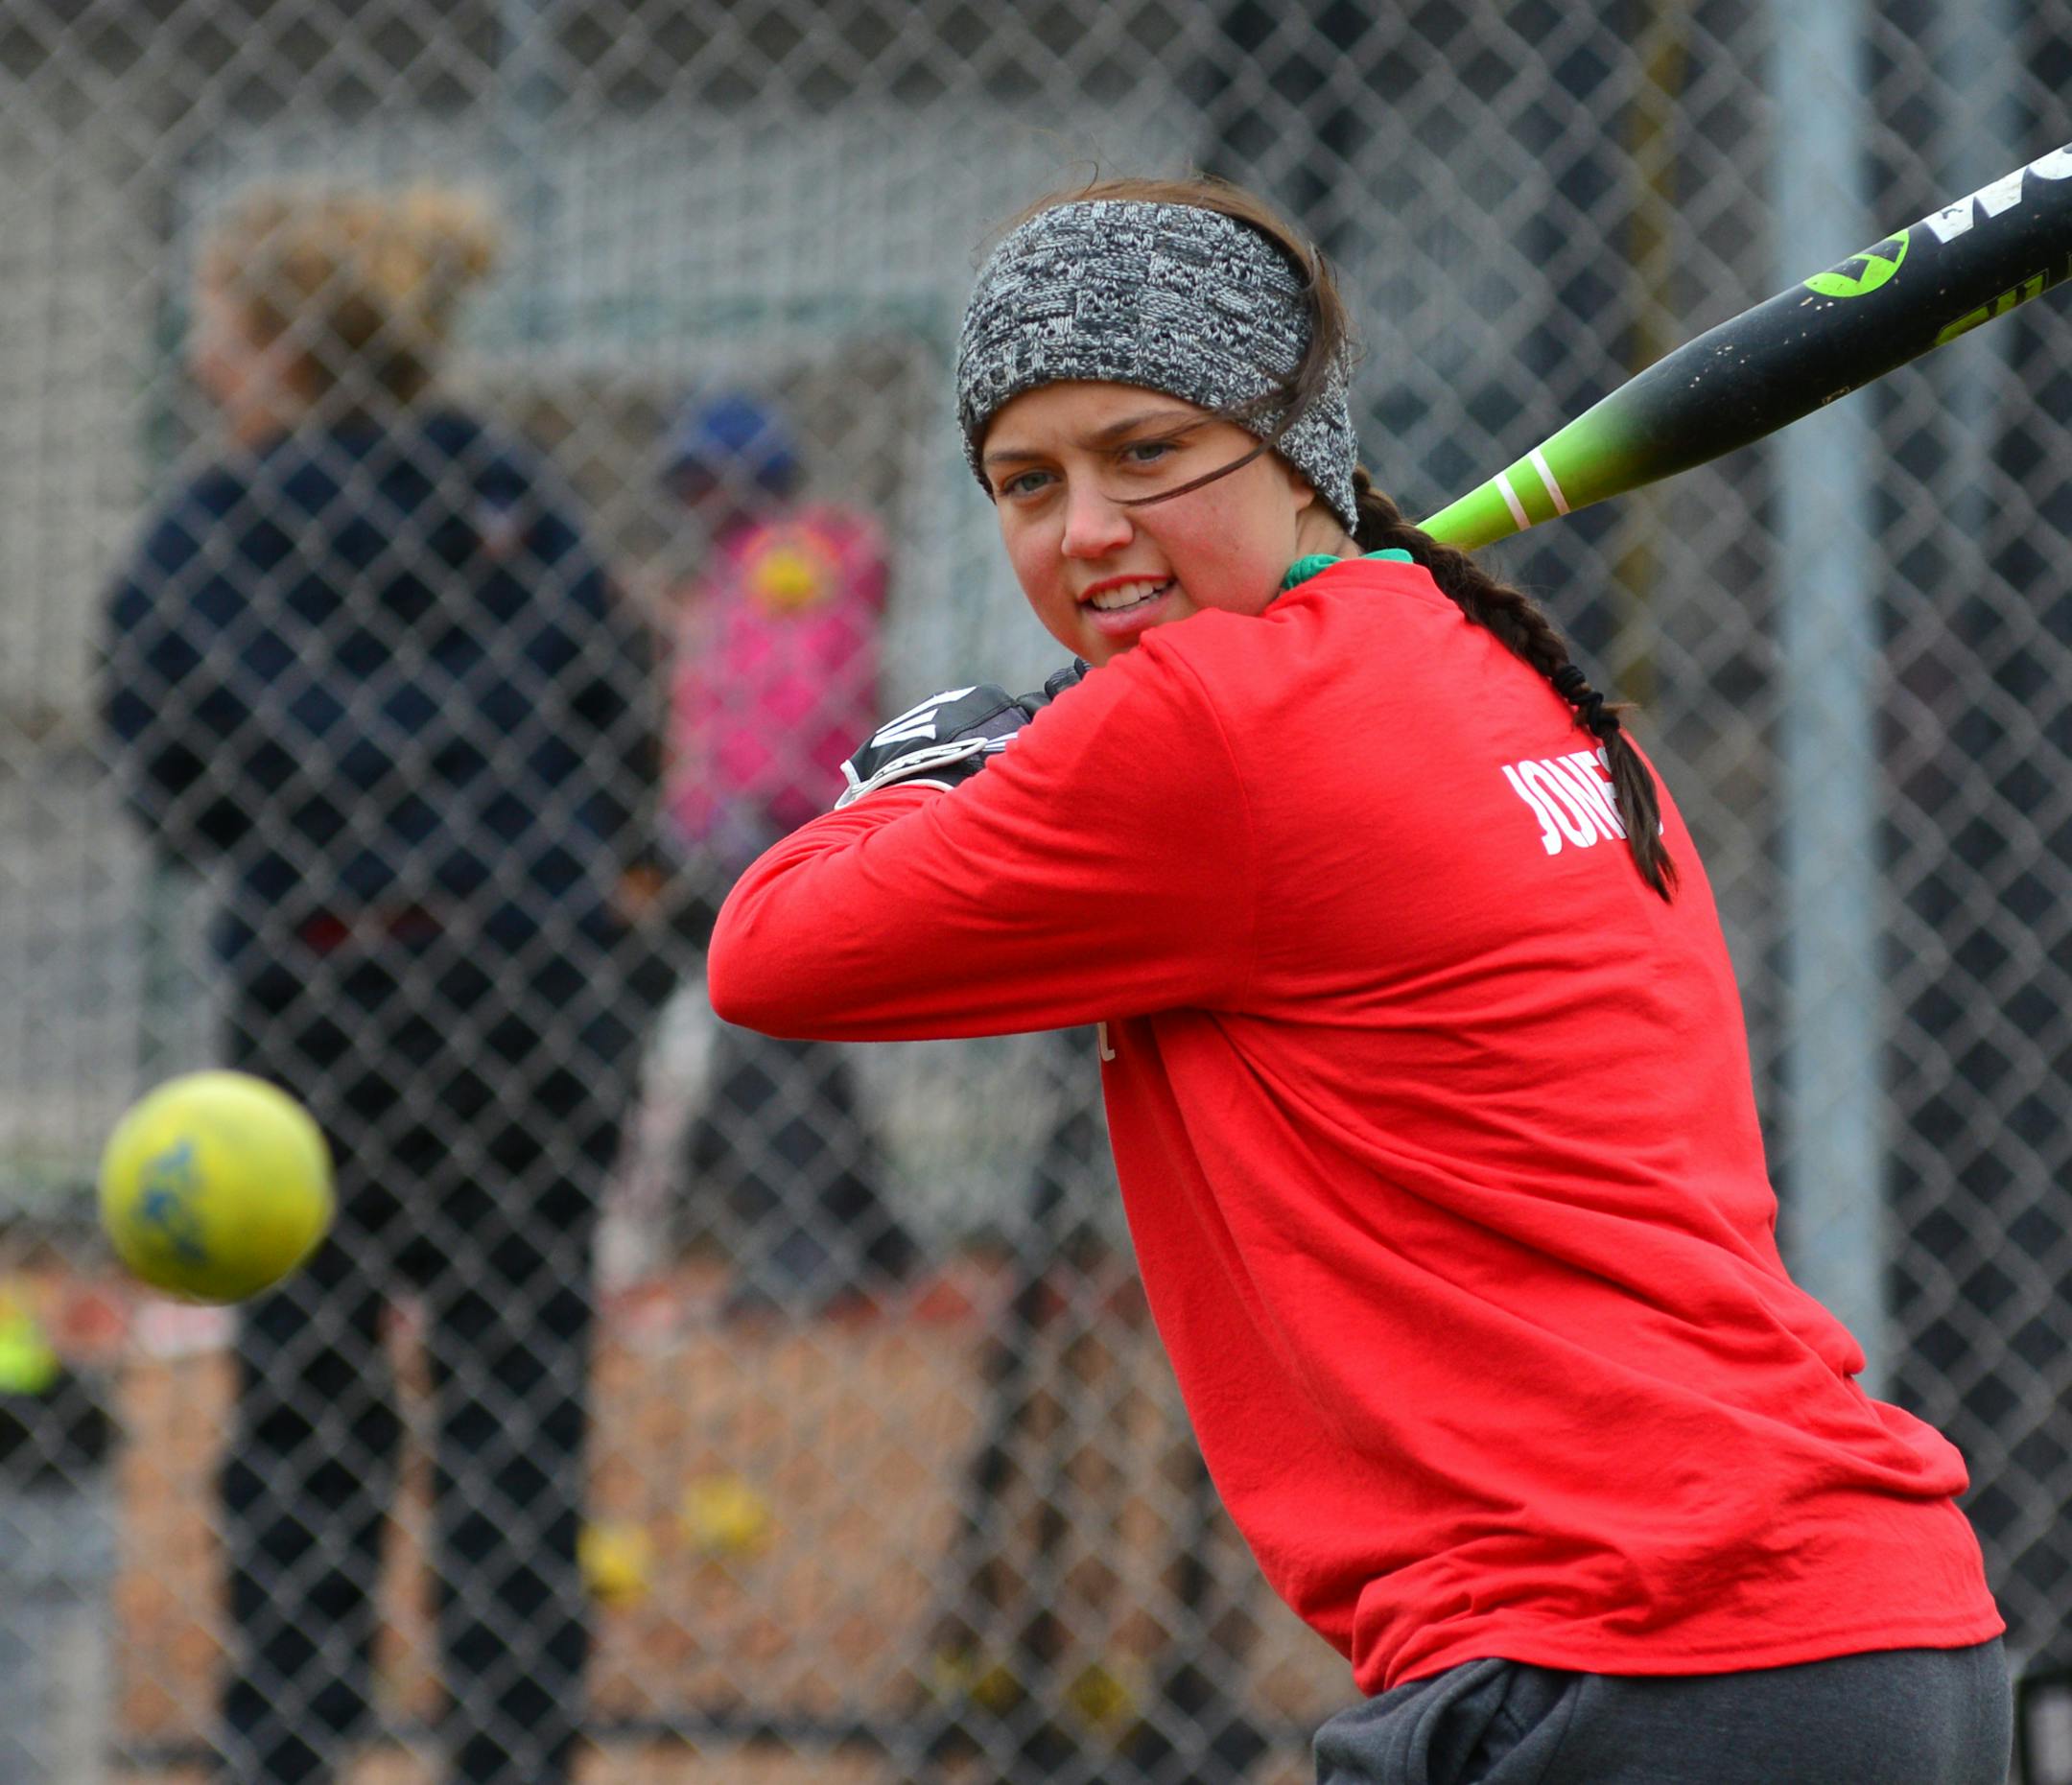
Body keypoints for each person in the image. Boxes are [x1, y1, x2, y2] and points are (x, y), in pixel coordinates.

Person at [703, 177, 2013, 1783]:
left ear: (1297, 448)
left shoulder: (1209, 720)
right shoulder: (1510, 673)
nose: (1086, 530)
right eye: (1025, 482)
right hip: (1853, 1634)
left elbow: (774, 949)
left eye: (1150, 452)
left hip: (1623, 1660)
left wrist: (917, 773)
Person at [102, 185, 661, 1785]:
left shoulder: (212, 534)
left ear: (274, 344)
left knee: (307, 1407)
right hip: (529, 994)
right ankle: (511, 1751)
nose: (204, 358)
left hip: (319, 1005)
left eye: (217, 325)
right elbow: (619, 718)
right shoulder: (514, 497)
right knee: (513, 1389)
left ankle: (287, 1743)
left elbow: (175, 790)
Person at [659, 389, 914, 1314]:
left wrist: (739, 804)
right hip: (752, 820)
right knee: (793, 1040)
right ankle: (876, 1238)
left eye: (706, 479)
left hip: (779, 820)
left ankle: (804, 1254)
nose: (693, 499)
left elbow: (795, 693)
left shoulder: (787, 558)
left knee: (762, 1050)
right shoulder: (742, 565)